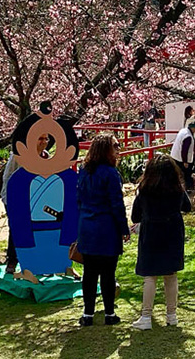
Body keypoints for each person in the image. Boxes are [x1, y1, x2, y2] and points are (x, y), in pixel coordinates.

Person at [129, 156, 192, 330]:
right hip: (173, 232)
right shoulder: (177, 189)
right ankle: (172, 315)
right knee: (170, 275)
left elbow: (135, 216)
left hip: (151, 232)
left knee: (150, 276)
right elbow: (188, 207)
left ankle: (146, 316)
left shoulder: (145, 190)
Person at [73, 136, 129, 326]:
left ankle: (88, 314)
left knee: (89, 273)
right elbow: (117, 204)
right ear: (106, 150)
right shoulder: (111, 173)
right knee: (108, 273)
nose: (118, 149)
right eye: (115, 146)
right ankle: (109, 313)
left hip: (87, 227)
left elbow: (78, 200)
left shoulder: (84, 172)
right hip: (106, 228)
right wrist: (124, 228)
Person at [171, 119, 195, 190]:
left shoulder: (183, 131)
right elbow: (184, 150)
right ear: (194, 128)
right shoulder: (188, 137)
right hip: (181, 158)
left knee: (182, 174)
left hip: (175, 155)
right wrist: (185, 161)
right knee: (186, 174)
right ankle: (187, 188)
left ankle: (187, 187)